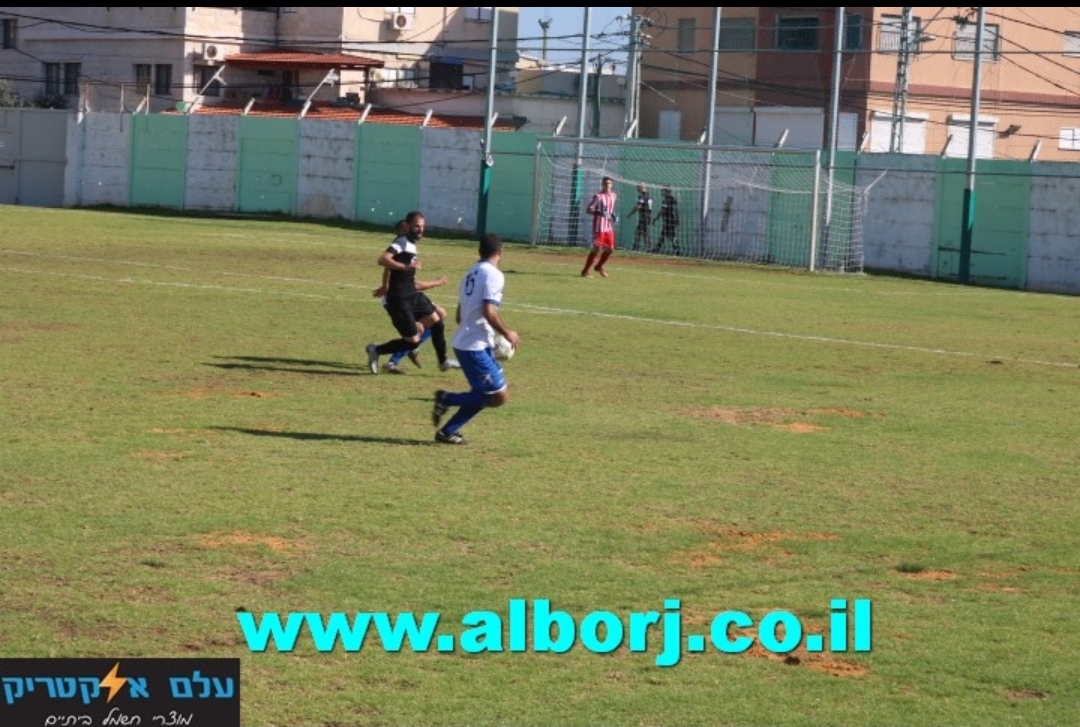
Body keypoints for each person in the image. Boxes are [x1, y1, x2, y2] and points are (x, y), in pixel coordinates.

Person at [431, 233, 520, 445]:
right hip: (474, 346)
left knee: (484, 394)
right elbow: (489, 312)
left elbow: (460, 315)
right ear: (500, 252)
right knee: (499, 396)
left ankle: (447, 432)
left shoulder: (470, 273)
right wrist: (507, 333)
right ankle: (446, 398)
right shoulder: (494, 275)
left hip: (470, 342)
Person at [365, 211, 459, 374]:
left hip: (413, 296)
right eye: (417, 226)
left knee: (437, 322)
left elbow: (395, 269)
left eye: (423, 226)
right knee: (413, 341)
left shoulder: (411, 244)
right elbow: (383, 259)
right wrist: (405, 267)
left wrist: (407, 268)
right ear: (408, 226)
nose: (421, 230)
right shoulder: (401, 242)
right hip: (400, 299)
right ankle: (376, 350)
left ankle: (443, 362)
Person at [581, 176, 618, 278]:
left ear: (612, 184)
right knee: (597, 249)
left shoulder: (614, 196)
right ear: (602, 184)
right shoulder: (598, 196)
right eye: (605, 183)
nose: (607, 185)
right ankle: (585, 271)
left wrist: (613, 215)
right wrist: (600, 212)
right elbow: (588, 210)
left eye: (609, 183)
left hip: (608, 227)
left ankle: (598, 266)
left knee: (610, 249)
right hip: (599, 227)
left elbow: (610, 210)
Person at [652, 187, 680, 255]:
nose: (662, 193)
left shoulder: (666, 200)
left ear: (667, 192)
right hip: (674, 220)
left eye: (663, 191)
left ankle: (676, 250)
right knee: (666, 235)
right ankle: (657, 249)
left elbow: (663, 210)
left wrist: (655, 218)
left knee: (667, 235)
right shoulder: (673, 199)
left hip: (669, 220)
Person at [627, 183, 653, 252]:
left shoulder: (641, 195)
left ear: (642, 187)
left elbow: (639, 206)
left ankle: (636, 247)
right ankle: (647, 248)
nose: (637, 189)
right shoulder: (649, 195)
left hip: (644, 217)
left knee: (639, 232)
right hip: (648, 216)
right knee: (643, 233)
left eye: (638, 187)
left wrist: (630, 214)